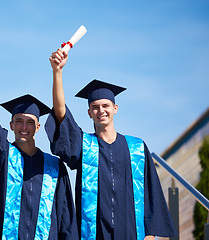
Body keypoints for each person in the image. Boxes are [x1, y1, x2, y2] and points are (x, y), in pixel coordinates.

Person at [45, 49, 176, 240]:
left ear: (115, 108)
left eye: (106, 106)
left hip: (132, 232)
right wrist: (57, 72)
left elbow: (151, 192)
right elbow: (60, 114)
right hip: (95, 233)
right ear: (89, 112)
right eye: (95, 107)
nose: (101, 111)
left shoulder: (137, 148)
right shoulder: (85, 145)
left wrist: (151, 234)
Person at [0, 55, 78, 239]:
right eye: (19, 121)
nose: (24, 127)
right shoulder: (2, 158)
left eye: (30, 122)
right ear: (11, 125)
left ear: (38, 127)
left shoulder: (55, 167)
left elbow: (66, 218)